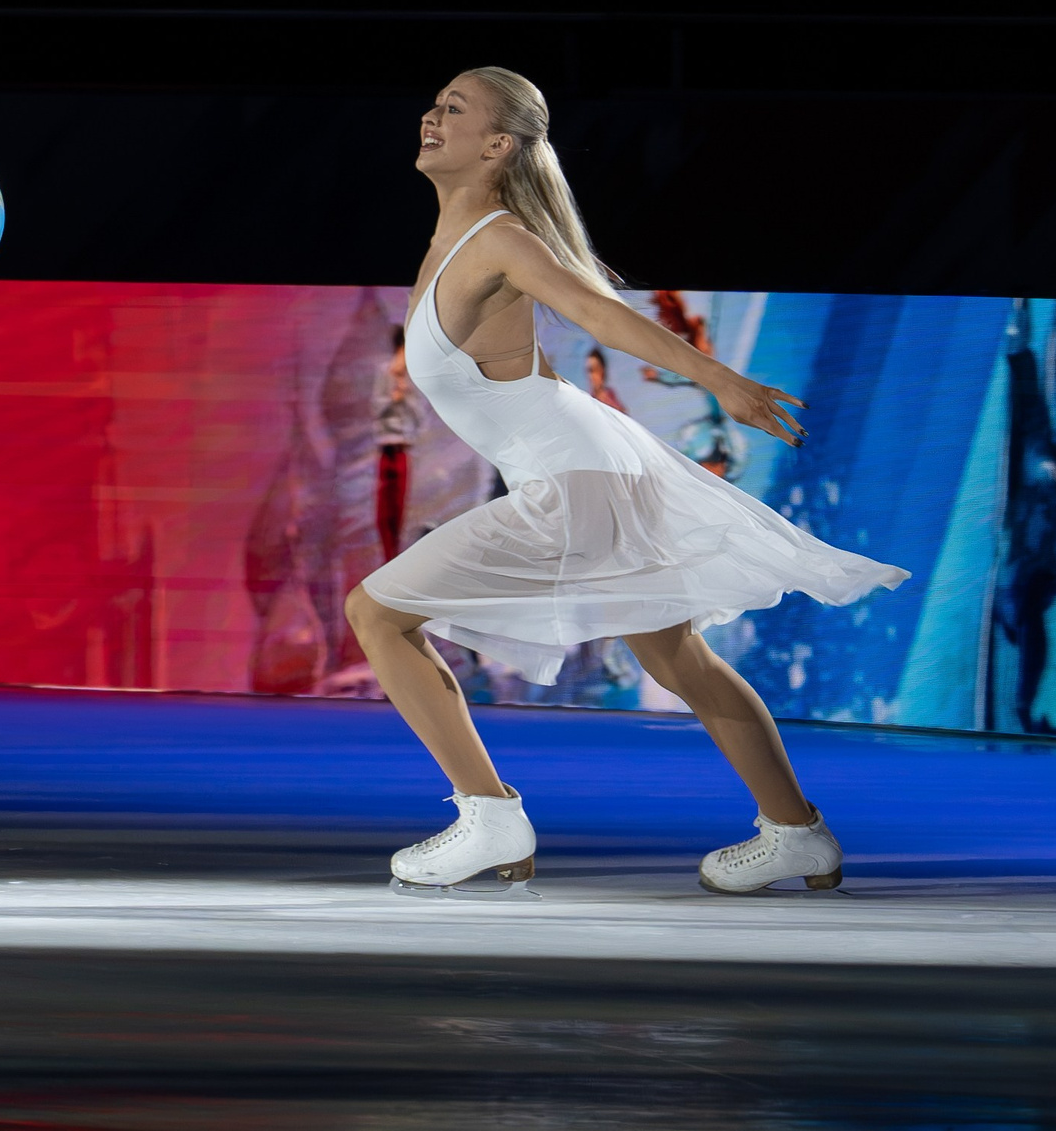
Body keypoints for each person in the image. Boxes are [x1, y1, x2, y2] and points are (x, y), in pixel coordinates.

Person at [345, 69, 906, 896]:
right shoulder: (459, 241)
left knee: (377, 615)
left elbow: (600, 315)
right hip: (591, 462)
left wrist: (720, 381)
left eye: (455, 109)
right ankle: (797, 833)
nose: (432, 114)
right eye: (434, 103)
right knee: (680, 657)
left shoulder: (499, 238)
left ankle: (490, 816)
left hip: (572, 476)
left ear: (498, 146)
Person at [374, 326, 420, 560]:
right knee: (383, 512)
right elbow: (375, 409)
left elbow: (419, 415)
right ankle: (385, 556)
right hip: (385, 447)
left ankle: (397, 557)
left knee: (401, 510)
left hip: (403, 447)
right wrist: (392, 398)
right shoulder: (385, 373)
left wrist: (406, 394)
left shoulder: (412, 375)